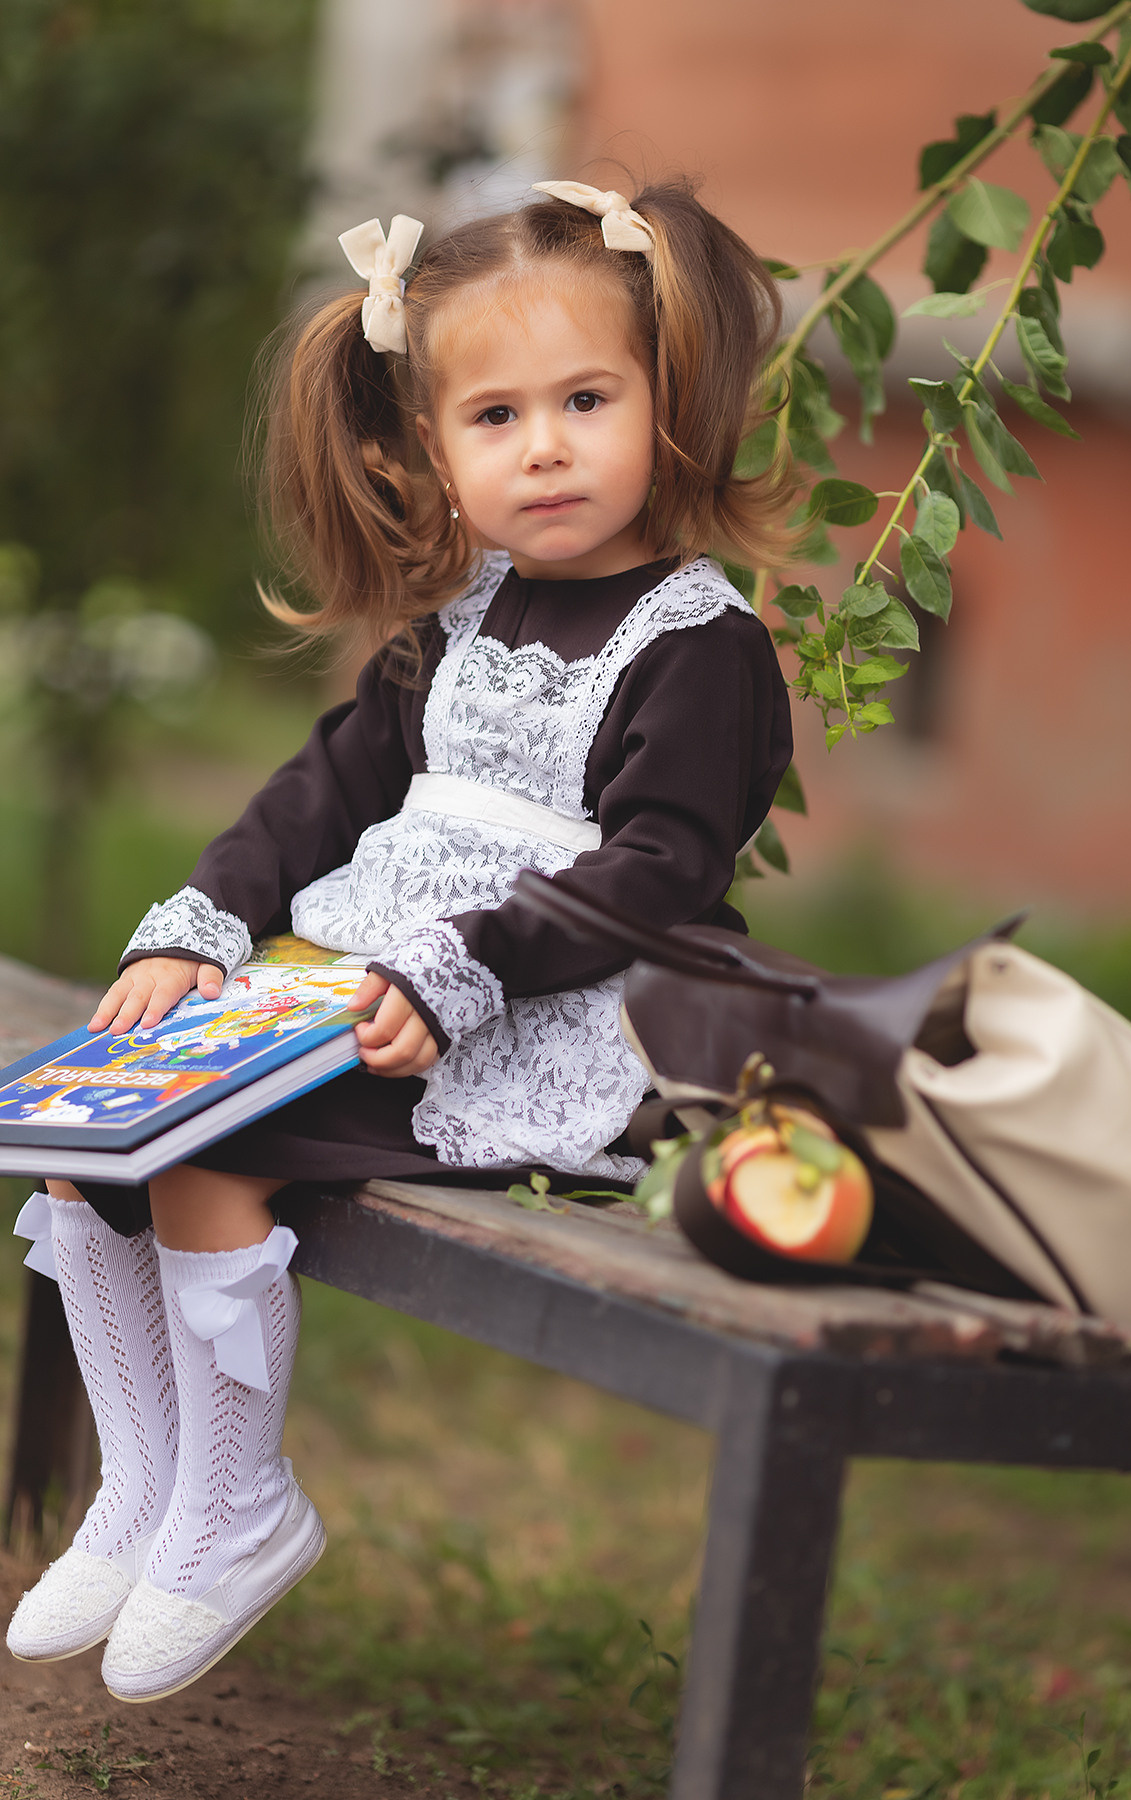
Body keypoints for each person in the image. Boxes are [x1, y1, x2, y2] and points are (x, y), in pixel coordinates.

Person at [7, 178, 795, 1702]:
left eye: (586, 399)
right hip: (368, 983)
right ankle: (148, 1485)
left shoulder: (701, 646)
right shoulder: (457, 625)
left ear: (665, 402)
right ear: (433, 449)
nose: (546, 445)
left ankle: (239, 1506)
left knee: (207, 1151)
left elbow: (661, 872)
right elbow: (322, 795)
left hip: (543, 1014)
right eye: (496, 417)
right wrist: (204, 921)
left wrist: (466, 964)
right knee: (93, 1135)